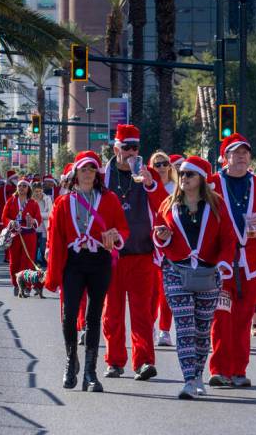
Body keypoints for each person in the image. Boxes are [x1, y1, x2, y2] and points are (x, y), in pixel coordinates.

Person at [153, 156, 236, 399]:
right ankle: (189, 379)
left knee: (202, 328)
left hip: (209, 274)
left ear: (201, 178)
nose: (184, 178)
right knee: (185, 326)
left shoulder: (217, 206)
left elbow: (228, 238)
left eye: (190, 174)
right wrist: (162, 236)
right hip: (176, 272)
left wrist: (222, 263)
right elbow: (159, 237)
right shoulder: (168, 205)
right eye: (182, 174)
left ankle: (198, 374)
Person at [45, 151, 128, 392]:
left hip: (99, 261)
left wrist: (115, 237)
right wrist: (53, 259)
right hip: (74, 262)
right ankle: (72, 361)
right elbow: (55, 235)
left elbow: (122, 229)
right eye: (84, 169)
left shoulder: (109, 199)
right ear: (76, 173)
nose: (88, 173)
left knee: (93, 316)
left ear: (97, 173)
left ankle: (90, 372)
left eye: (92, 169)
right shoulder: (63, 202)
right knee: (69, 315)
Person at [208, 133, 256, 388]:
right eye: (235, 153)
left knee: (243, 318)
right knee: (221, 317)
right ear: (225, 157)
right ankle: (219, 369)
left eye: (245, 152)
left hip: (250, 262)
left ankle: (238, 370)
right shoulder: (213, 184)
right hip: (222, 263)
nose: (241, 157)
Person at [101, 125, 168, 382]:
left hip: (142, 253)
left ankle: (144, 361)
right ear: (116, 148)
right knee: (112, 312)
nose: (130, 152)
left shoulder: (147, 174)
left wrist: (151, 184)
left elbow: (164, 205)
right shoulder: (104, 176)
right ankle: (115, 361)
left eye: (135, 147)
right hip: (112, 256)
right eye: (125, 147)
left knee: (143, 312)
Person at [150, 150, 178, 347]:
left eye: (164, 163)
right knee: (150, 290)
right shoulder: (145, 186)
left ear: (170, 166)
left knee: (166, 289)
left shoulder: (177, 187)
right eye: (156, 164)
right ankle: (149, 324)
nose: (160, 167)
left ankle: (165, 329)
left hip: (171, 242)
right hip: (149, 242)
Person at [1, 178, 42, 295]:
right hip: (15, 235)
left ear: (28, 188)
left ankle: (27, 286)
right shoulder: (11, 201)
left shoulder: (33, 203)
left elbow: (38, 218)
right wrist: (11, 222)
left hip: (29, 235)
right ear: (17, 188)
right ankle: (16, 284)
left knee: (28, 261)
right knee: (14, 261)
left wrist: (33, 221)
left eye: (24, 186)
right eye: (20, 186)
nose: (22, 188)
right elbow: (4, 217)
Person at [32, 182, 53, 268]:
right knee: (34, 247)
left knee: (43, 247)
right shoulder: (30, 200)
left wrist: (38, 215)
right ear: (33, 191)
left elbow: (50, 213)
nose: (38, 193)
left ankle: (45, 263)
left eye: (40, 191)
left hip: (44, 228)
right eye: (36, 191)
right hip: (34, 228)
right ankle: (34, 263)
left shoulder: (47, 199)